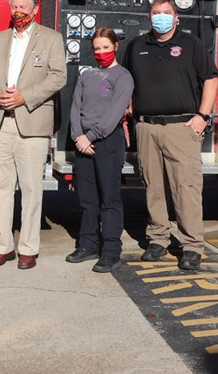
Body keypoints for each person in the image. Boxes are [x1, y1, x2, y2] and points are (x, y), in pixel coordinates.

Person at [123, 0, 218, 271]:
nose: (161, 16)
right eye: (156, 12)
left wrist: (202, 116)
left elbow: (211, 78)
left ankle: (191, 246)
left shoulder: (191, 44)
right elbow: (126, 80)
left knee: (185, 188)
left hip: (182, 127)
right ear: (148, 17)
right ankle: (158, 238)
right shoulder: (136, 45)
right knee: (153, 187)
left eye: (167, 12)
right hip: (147, 128)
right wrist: (129, 108)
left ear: (177, 17)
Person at [0, 0, 66, 270]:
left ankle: (28, 248)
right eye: (14, 7)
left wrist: (24, 97)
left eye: (23, 8)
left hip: (32, 123)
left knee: (31, 190)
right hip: (0, 123)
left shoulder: (51, 39)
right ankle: (2, 247)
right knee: (0, 189)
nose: (18, 12)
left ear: (35, 9)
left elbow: (58, 77)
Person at [65, 27, 134, 273]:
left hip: (107, 143)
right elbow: (75, 108)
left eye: (105, 47)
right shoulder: (87, 75)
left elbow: (115, 114)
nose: (101, 52)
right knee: (87, 198)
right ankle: (88, 244)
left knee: (109, 199)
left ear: (115, 47)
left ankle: (111, 251)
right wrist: (78, 136)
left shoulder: (123, 76)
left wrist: (91, 136)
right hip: (83, 142)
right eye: (96, 48)